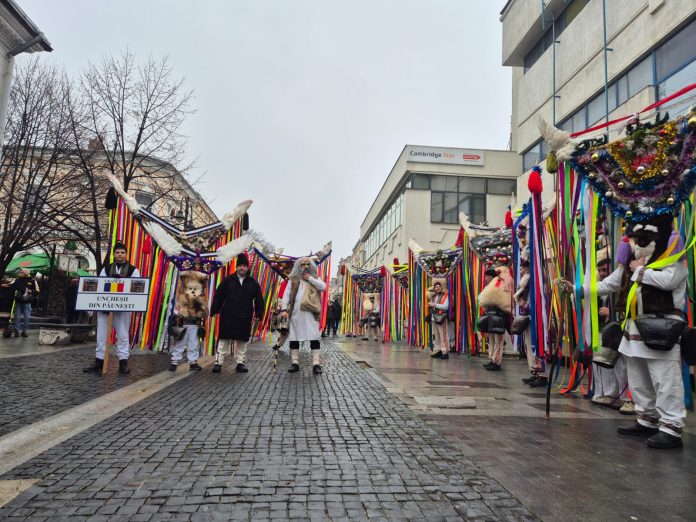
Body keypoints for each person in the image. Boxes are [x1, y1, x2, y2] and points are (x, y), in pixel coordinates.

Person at [577, 216, 687, 449]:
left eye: (645, 239)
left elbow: (669, 281)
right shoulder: (631, 264)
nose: (639, 244)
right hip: (635, 331)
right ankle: (647, 419)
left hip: (662, 330)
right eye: (636, 239)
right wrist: (578, 290)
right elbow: (607, 284)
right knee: (638, 378)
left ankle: (671, 427)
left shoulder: (671, 261)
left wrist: (640, 272)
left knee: (665, 379)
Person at [84, 242, 140, 375]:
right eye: (117, 252)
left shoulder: (133, 270)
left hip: (123, 308)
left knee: (123, 335)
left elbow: (137, 287)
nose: (120, 255)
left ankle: (123, 363)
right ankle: (99, 361)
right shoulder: (106, 268)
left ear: (126, 255)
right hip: (105, 308)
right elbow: (100, 285)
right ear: (114, 254)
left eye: (122, 252)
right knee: (101, 335)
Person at [210, 253, 264, 373]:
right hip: (228, 315)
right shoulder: (228, 280)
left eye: (244, 266)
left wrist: (259, 313)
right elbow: (219, 295)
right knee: (224, 340)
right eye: (240, 266)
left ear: (247, 268)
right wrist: (215, 309)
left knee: (242, 341)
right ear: (237, 267)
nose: (242, 268)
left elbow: (259, 299)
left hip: (245, 316)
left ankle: (240, 363)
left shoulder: (253, 283)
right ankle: (218, 363)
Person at [590, 255, 631, 411]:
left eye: (604, 270)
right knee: (606, 363)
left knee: (623, 366)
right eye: (599, 270)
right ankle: (609, 394)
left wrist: (612, 312)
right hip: (607, 331)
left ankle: (624, 397)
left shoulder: (624, 281)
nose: (601, 273)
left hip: (622, 329)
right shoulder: (604, 286)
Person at [280, 257, 327, 374]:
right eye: (303, 264)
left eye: (308, 264)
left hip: (311, 314)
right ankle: (294, 363)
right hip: (296, 314)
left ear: (311, 266)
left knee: (314, 337)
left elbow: (323, 287)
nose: (305, 267)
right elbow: (286, 295)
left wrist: (310, 278)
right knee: (294, 338)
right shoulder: (293, 279)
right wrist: (284, 309)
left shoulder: (315, 278)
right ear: (298, 266)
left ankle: (316, 364)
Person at [515, 260, 547, 386]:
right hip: (529, 317)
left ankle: (542, 375)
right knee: (530, 345)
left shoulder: (534, 282)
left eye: (523, 268)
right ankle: (535, 372)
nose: (521, 271)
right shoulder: (526, 283)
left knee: (537, 344)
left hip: (536, 317)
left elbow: (534, 300)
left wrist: (524, 304)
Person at [170, 271, 208, 372]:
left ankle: (193, 362)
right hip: (183, 323)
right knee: (180, 343)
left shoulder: (201, 298)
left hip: (195, 324)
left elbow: (205, 311)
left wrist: (201, 312)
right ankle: (174, 362)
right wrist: (180, 313)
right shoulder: (182, 296)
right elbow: (175, 308)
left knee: (194, 344)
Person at [479, 266, 512, 371]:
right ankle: (492, 359)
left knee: (498, 340)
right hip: (490, 315)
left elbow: (503, 301)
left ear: (491, 276)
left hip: (499, 316)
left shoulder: (500, 284)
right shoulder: (489, 286)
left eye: (486, 276)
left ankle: (497, 361)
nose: (485, 278)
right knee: (491, 339)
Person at [10, 269, 39, 337]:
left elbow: (37, 291)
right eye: (20, 272)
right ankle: (16, 331)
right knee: (16, 318)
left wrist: (31, 291)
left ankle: (24, 332)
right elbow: (12, 287)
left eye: (22, 272)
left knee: (26, 318)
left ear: (26, 273)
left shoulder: (32, 281)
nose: (20, 273)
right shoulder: (17, 280)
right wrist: (15, 292)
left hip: (27, 302)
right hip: (18, 301)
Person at [429, 279, 450, 360]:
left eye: (439, 286)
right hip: (434, 318)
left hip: (441, 318)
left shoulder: (445, 296)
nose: (438, 288)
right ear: (434, 288)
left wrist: (434, 305)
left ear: (441, 287)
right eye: (436, 287)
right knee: (436, 336)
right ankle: (438, 351)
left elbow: (446, 307)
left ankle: (445, 352)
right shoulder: (433, 297)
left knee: (443, 335)